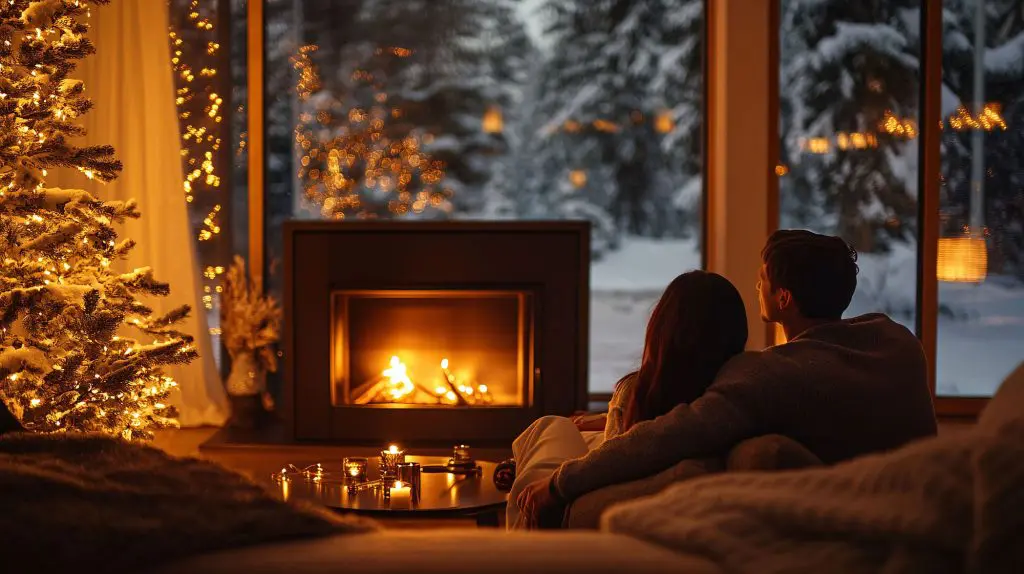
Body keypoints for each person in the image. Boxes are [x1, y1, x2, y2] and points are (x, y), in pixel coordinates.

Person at [516, 230, 939, 529]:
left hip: (847, 520)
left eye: (762, 281)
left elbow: (672, 432)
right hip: (921, 505)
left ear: (783, 299)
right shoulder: (896, 342)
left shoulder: (773, 373)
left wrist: (560, 483)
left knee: (544, 435)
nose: (756, 286)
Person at [506, 270, 749, 528]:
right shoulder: (727, 389)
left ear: (663, 329)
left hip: (595, 494)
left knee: (549, 427)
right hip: (617, 477)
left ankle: (516, 546)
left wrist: (556, 485)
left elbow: (627, 448)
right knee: (563, 428)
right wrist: (599, 420)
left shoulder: (641, 391)